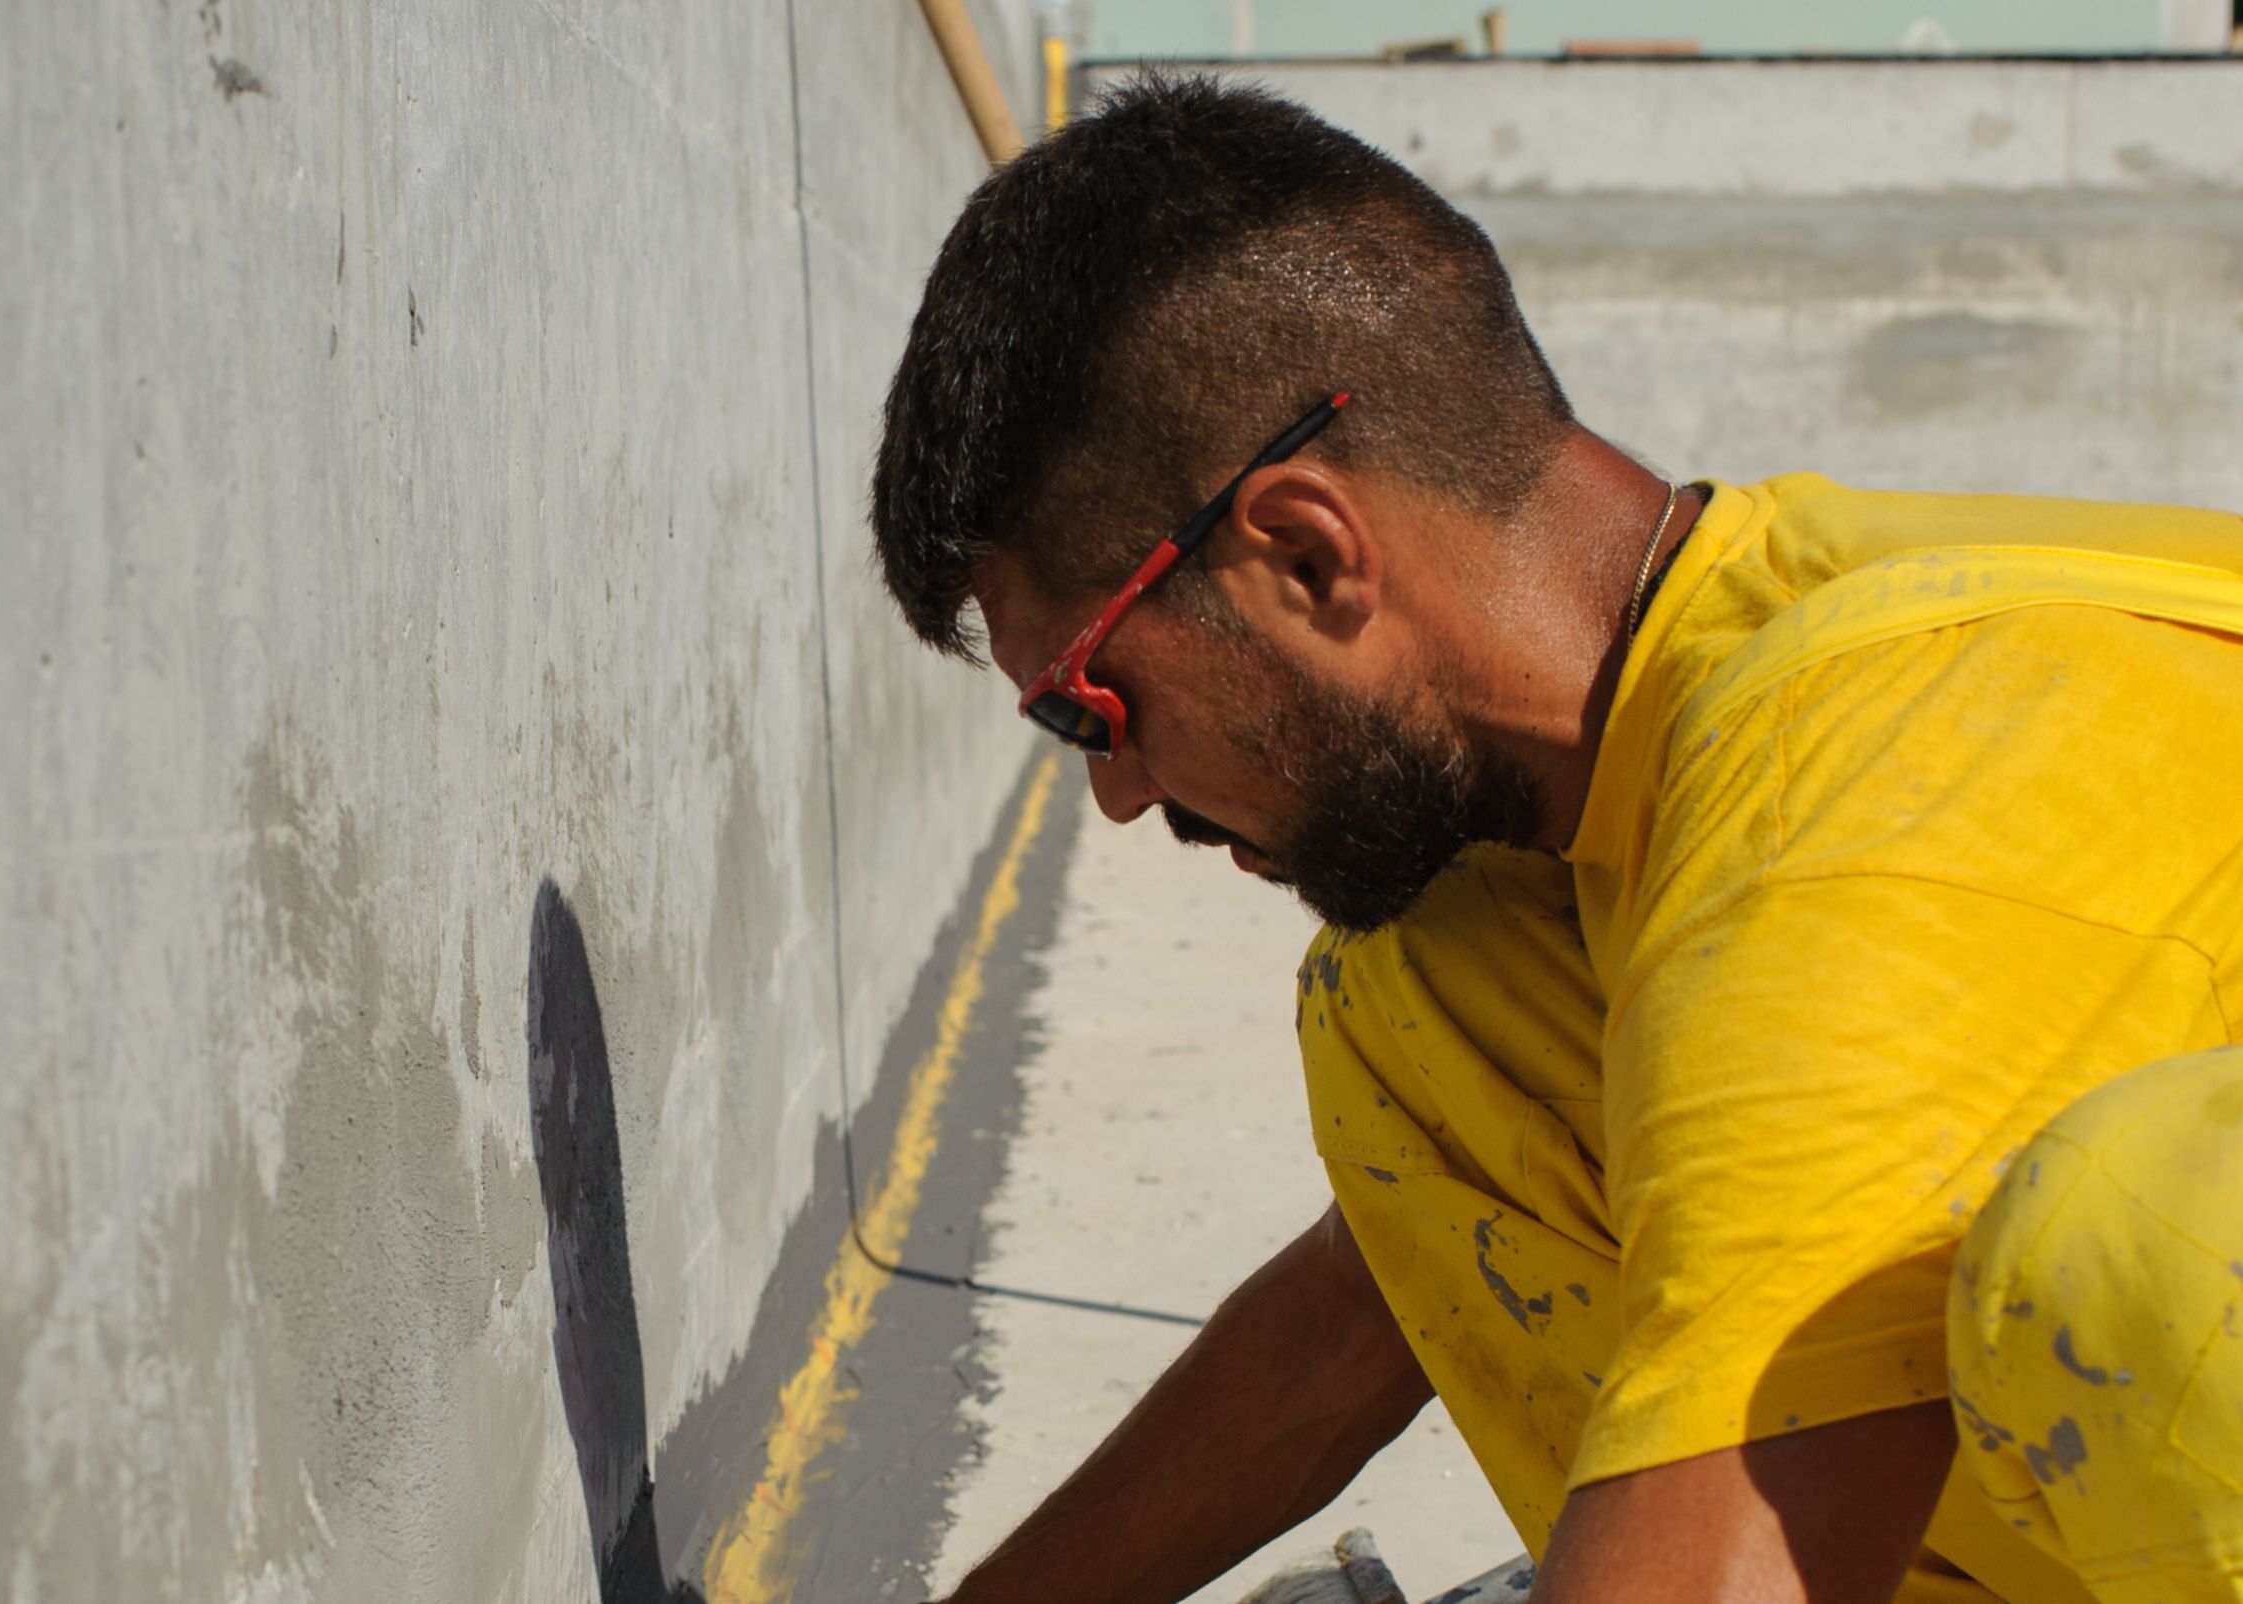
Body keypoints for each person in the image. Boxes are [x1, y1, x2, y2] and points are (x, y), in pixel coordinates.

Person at [871, 73, 2243, 1604]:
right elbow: (1352, 1322)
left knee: (2147, 1248)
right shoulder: (1508, 893)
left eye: (1091, 706)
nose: (1119, 797)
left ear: (1306, 555)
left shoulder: (1873, 778)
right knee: (1397, 995)